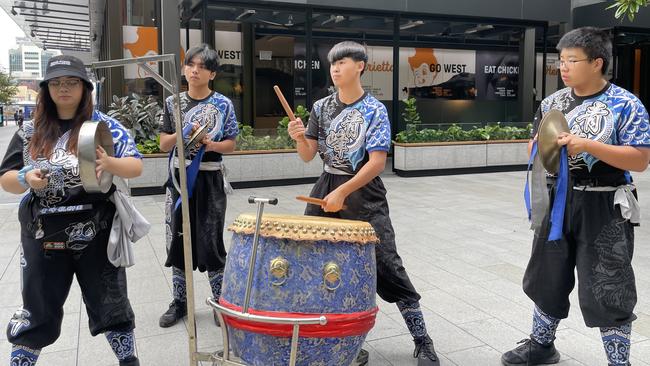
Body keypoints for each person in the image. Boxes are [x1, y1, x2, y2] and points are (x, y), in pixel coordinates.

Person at [501, 27, 650, 366]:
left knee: (609, 282)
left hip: (605, 203)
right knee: (546, 274)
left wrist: (588, 145)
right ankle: (541, 345)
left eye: (571, 60)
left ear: (598, 62)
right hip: (557, 199)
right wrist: (539, 147)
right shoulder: (553, 102)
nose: (562, 67)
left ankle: (618, 361)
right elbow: (537, 144)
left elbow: (641, 159)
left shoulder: (626, 104)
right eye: (560, 60)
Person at [287, 41, 440, 366]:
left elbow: (376, 162)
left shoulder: (374, 109)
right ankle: (335, 337)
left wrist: (344, 191)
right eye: (332, 63)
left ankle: (422, 339)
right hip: (326, 185)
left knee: (386, 263)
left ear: (360, 66)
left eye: (342, 62)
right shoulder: (320, 108)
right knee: (318, 261)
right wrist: (299, 137)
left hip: (364, 192)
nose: (336, 68)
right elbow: (307, 156)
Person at [0, 55, 143, 365]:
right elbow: (7, 179)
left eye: (71, 82)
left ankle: (129, 361)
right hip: (42, 234)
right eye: (56, 83)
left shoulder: (104, 125)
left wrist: (110, 163)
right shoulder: (30, 132)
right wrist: (26, 177)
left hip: (96, 231)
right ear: (47, 89)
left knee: (112, 304)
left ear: (84, 88)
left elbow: (135, 166)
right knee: (37, 307)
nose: (63, 88)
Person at [158, 44, 239, 328]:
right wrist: (182, 132)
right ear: (184, 69)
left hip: (210, 178)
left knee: (211, 239)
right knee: (178, 240)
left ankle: (220, 301)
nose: (195, 70)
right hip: (179, 180)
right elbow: (162, 142)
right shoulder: (172, 103)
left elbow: (230, 143)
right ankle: (180, 302)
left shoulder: (224, 104)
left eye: (202, 66)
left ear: (212, 73)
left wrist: (210, 144)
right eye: (190, 64)